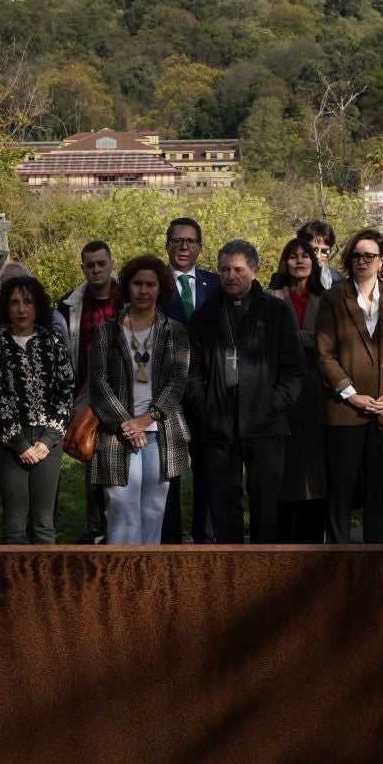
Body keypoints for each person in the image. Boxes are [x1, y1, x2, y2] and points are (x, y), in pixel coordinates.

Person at [185, 240, 303, 543]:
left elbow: (293, 368)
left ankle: (264, 567)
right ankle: (231, 569)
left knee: (265, 503)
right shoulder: (204, 316)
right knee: (224, 505)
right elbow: (191, 371)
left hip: (265, 422)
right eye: (224, 269)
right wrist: (205, 408)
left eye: (238, 269)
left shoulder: (276, 312)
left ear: (254, 270)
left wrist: (272, 404)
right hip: (218, 422)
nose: (230, 276)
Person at [315, 228, 383, 545]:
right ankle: (339, 554)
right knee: (341, 486)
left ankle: (375, 552)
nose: (362, 261)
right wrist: (351, 394)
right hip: (346, 409)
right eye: (357, 256)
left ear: (382, 260)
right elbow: (324, 353)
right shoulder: (333, 299)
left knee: (379, 487)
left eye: (369, 256)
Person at [90, 256, 191, 545]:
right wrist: (127, 424)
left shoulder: (175, 332)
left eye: (150, 284)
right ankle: (122, 579)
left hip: (162, 432)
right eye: (137, 283)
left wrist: (146, 420)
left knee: (154, 509)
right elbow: (98, 384)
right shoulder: (105, 331)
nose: (143, 291)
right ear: (127, 286)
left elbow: (177, 382)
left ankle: (148, 578)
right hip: (116, 434)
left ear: (161, 288)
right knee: (122, 508)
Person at [0, 275, 74, 545]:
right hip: (11, 445)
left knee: (44, 524)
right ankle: (14, 586)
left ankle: (45, 586)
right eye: (14, 303)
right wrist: (20, 444)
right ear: (5, 308)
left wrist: (47, 441)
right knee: (14, 524)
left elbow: (66, 392)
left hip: (48, 443)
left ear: (37, 306)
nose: (21, 309)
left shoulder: (53, 343)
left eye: (28, 302)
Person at [54, 244, 117, 543]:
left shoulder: (126, 298)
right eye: (90, 265)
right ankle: (96, 528)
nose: (96, 270)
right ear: (83, 268)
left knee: (120, 460)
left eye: (101, 264)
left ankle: (121, 527)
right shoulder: (70, 305)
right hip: (87, 393)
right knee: (91, 457)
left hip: (123, 392)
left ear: (111, 264)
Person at [163, 216, 219, 544]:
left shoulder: (215, 284)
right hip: (166, 394)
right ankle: (169, 541)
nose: (184, 246)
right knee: (169, 472)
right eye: (177, 241)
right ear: (167, 244)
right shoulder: (155, 285)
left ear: (199, 246)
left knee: (207, 469)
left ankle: (205, 538)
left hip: (208, 393)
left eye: (191, 241)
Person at [271, 237, 328, 542]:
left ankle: (311, 537)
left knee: (314, 468)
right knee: (284, 468)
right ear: (285, 262)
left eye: (306, 255)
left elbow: (329, 344)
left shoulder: (327, 298)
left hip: (318, 391)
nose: (300, 260)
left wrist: (293, 338)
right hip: (280, 393)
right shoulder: (271, 297)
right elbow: (269, 343)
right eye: (293, 256)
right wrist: (306, 340)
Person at [296, 218, 343, 290]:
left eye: (324, 251)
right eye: (313, 250)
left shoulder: (337, 282)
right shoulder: (283, 278)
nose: (318, 256)